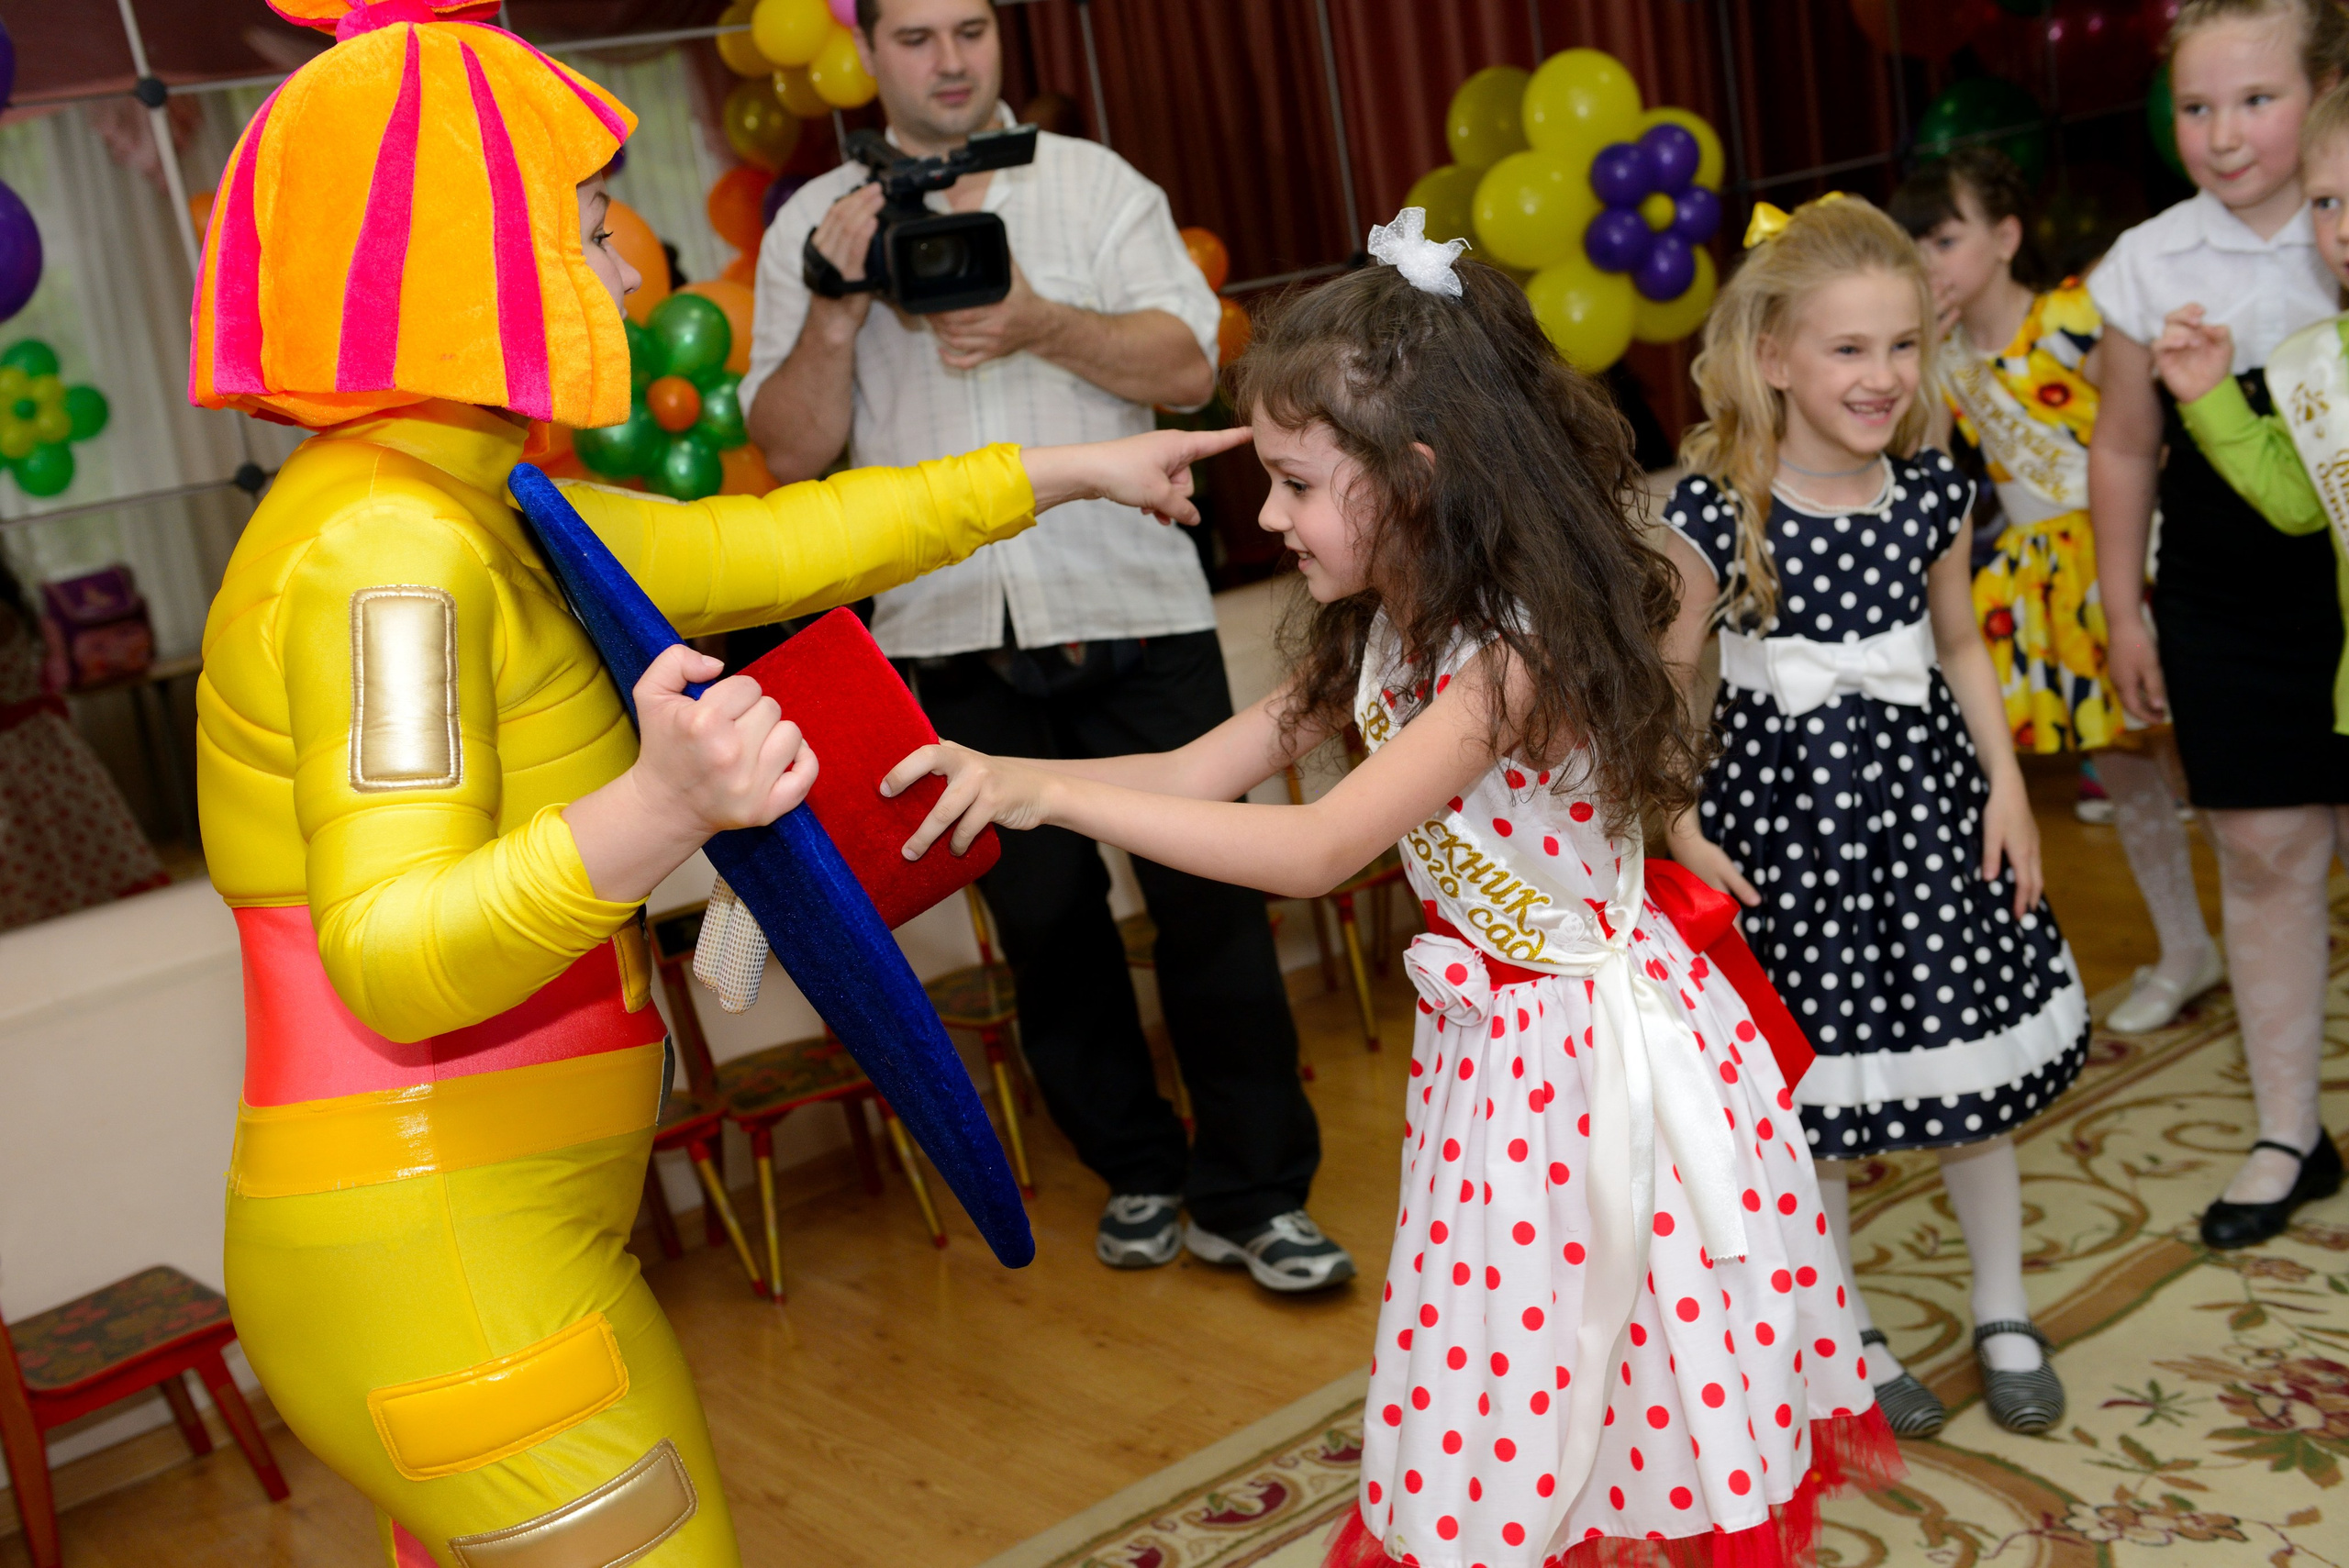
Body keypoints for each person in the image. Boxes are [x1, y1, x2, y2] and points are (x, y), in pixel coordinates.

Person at [189, 6, 1237, 1564]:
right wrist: (663, 807)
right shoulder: (383, 561)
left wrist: (1074, 471)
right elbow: (394, 955)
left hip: (487, 1227)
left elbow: (780, 541)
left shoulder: (477, 502)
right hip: (439, 1248)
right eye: (593, 221)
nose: (631, 267)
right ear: (479, 255)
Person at [880, 212, 1897, 1568]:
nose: (1269, 514)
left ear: (1414, 478)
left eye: (1298, 483)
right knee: (1499, 1374)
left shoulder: (1507, 665)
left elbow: (1314, 851)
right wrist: (1000, 765)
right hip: (1497, 1066)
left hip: (1594, 1073)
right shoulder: (1377, 629)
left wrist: (1052, 796)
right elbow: (1199, 768)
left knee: (1617, 1371)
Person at [742, 0, 1343, 1289]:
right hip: (945, 635)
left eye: (971, 29)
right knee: (1048, 929)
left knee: (1214, 908)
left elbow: (1192, 368)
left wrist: (1035, 320)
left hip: (1135, 605)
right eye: (916, 36)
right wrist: (837, 314)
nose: (950, 59)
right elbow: (789, 454)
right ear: (868, 51)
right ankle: (1136, 1169)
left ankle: (1257, 1195)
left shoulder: (1098, 184)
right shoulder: (809, 228)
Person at [1660, 195, 2089, 1440]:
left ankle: (2003, 1306)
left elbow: (1959, 645)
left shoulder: (1933, 493)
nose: (1882, 376)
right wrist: (1682, 826)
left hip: (1929, 817)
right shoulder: (1712, 512)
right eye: (1849, 349)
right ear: (1774, 355)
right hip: (1784, 837)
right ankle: (1844, 1326)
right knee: (1822, 1097)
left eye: (1902, 346)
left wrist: (2008, 786)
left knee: (1969, 1077)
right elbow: (1670, 691)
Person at [2086, 0, 2349, 1250]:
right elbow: (2126, 447)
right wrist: (2122, 604)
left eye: (2256, 100)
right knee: (2262, 854)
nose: (2224, 134)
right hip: (2228, 602)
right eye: (2197, 107)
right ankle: (2289, 1129)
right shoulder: (2151, 262)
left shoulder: (2344, 229)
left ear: (2325, 90)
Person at [1894, 149, 2222, 1035]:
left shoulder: (2080, 317)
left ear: (2005, 236)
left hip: (2136, 553)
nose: (1929, 259)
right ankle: (2185, 942)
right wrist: (1921, 352)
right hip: (2047, 583)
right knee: (2122, 769)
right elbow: (1923, 460)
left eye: (1945, 237)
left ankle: (2272, 910)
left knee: (2210, 758)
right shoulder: (1942, 358)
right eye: (1914, 243)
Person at [0, 558, 167, 930]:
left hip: (19, 752)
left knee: (42, 853)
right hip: (37, 745)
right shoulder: (13, 607)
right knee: (58, 850)